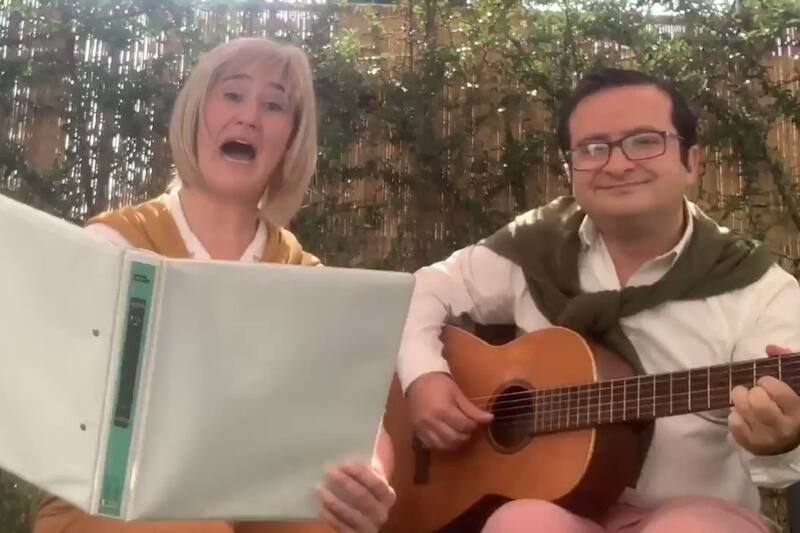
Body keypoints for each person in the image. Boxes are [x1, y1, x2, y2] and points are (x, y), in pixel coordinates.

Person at [396, 68, 800, 532]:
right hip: (559, 509)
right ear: (571, 169)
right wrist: (424, 375)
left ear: (691, 162)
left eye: (644, 141)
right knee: (520, 523)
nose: (618, 164)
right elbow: (422, 289)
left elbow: (777, 461)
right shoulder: (537, 246)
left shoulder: (757, 287)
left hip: (700, 513)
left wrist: (780, 439)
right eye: (592, 148)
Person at [34, 37, 395, 533]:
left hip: (257, 503)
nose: (249, 117)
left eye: (274, 105)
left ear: (291, 138)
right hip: (112, 505)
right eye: (232, 94)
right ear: (196, 114)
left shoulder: (306, 275)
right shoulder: (113, 244)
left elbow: (362, 418)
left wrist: (370, 477)